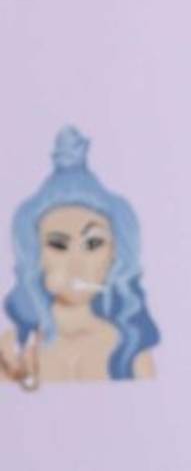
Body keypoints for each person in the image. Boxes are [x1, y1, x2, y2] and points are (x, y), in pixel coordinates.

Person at [2, 126, 160, 387]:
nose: (76, 264)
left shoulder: (130, 353)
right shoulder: (13, 350)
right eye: (58, 245)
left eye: (93, 244)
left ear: (115, 254)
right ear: (35, 254)